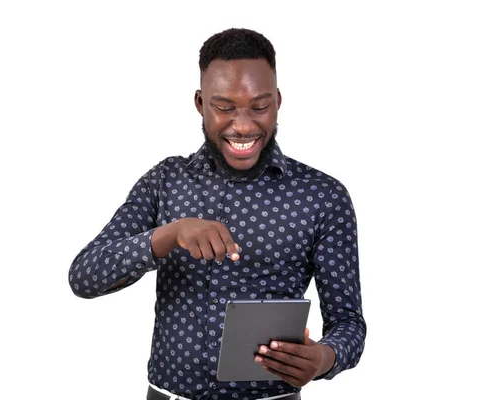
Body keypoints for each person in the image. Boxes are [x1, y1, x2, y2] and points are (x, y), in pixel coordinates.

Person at [69, 27, 366, 400]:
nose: (243, 126)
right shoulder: (165, 182)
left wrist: (324, 357)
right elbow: (84, 277)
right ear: (199, 102)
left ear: (277, 101)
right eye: (224, 107)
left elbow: (349, 324)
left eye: (259, 107)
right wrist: (166, 235)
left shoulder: (323, 197)